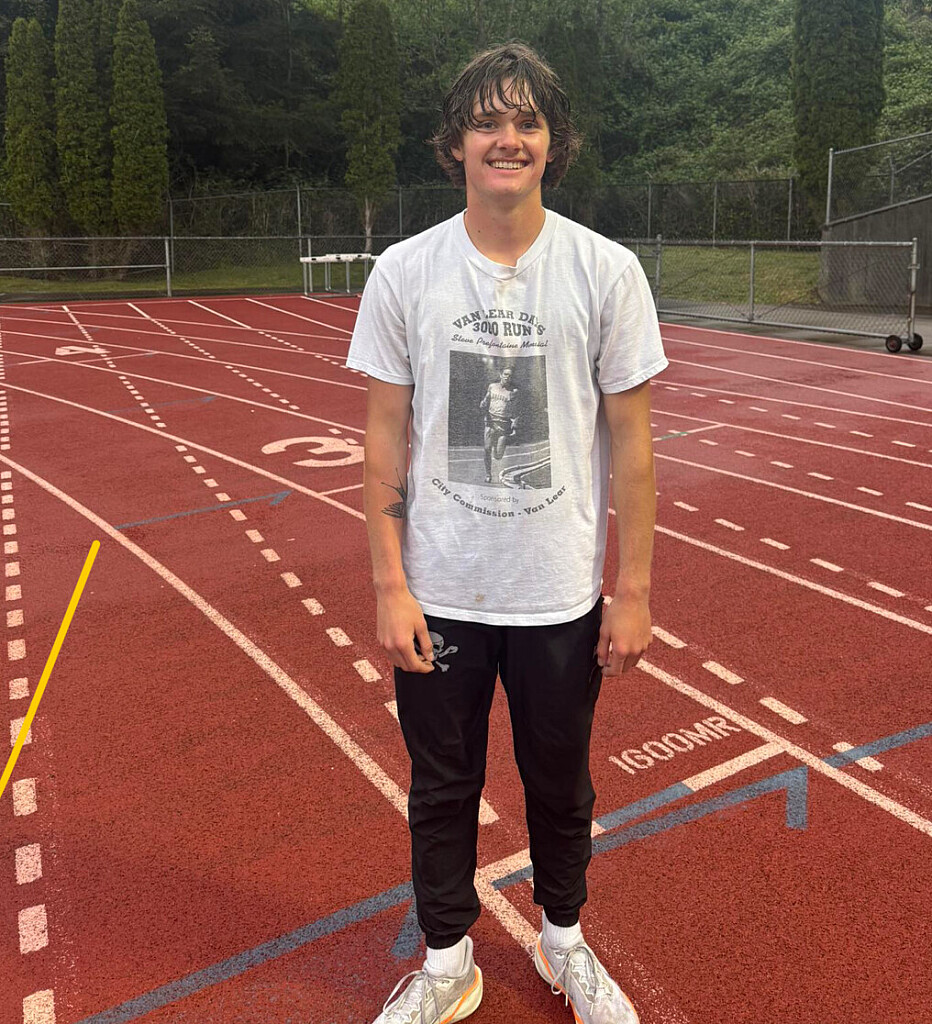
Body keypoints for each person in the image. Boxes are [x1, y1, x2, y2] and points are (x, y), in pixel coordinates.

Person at [347, 41, 667, 1024]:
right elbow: (384, 434)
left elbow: (633, 443)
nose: (507, 139)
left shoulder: (604, 271)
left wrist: (632, 590)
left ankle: (563, 942)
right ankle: (448, 961)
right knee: (441, 788)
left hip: (558, 595)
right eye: (487, 121)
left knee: (559, 785)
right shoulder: (405, 271)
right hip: (441, 591)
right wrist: (390, 584)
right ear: (455, 143)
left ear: (552, 143)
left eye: (527, 122)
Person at [480, 364, 519, 483]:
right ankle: (488, 474)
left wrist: (514, 426)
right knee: (487, 448)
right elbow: (485, 401)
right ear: (500, 375)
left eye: (510, 375)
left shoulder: (514, 391)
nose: (507, 377)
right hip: (490, 422)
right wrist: (484, 402)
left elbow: (516, 411)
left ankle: (500, 442)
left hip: (503, 425)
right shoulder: (492, 386)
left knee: (498, 456)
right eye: (505, 374)